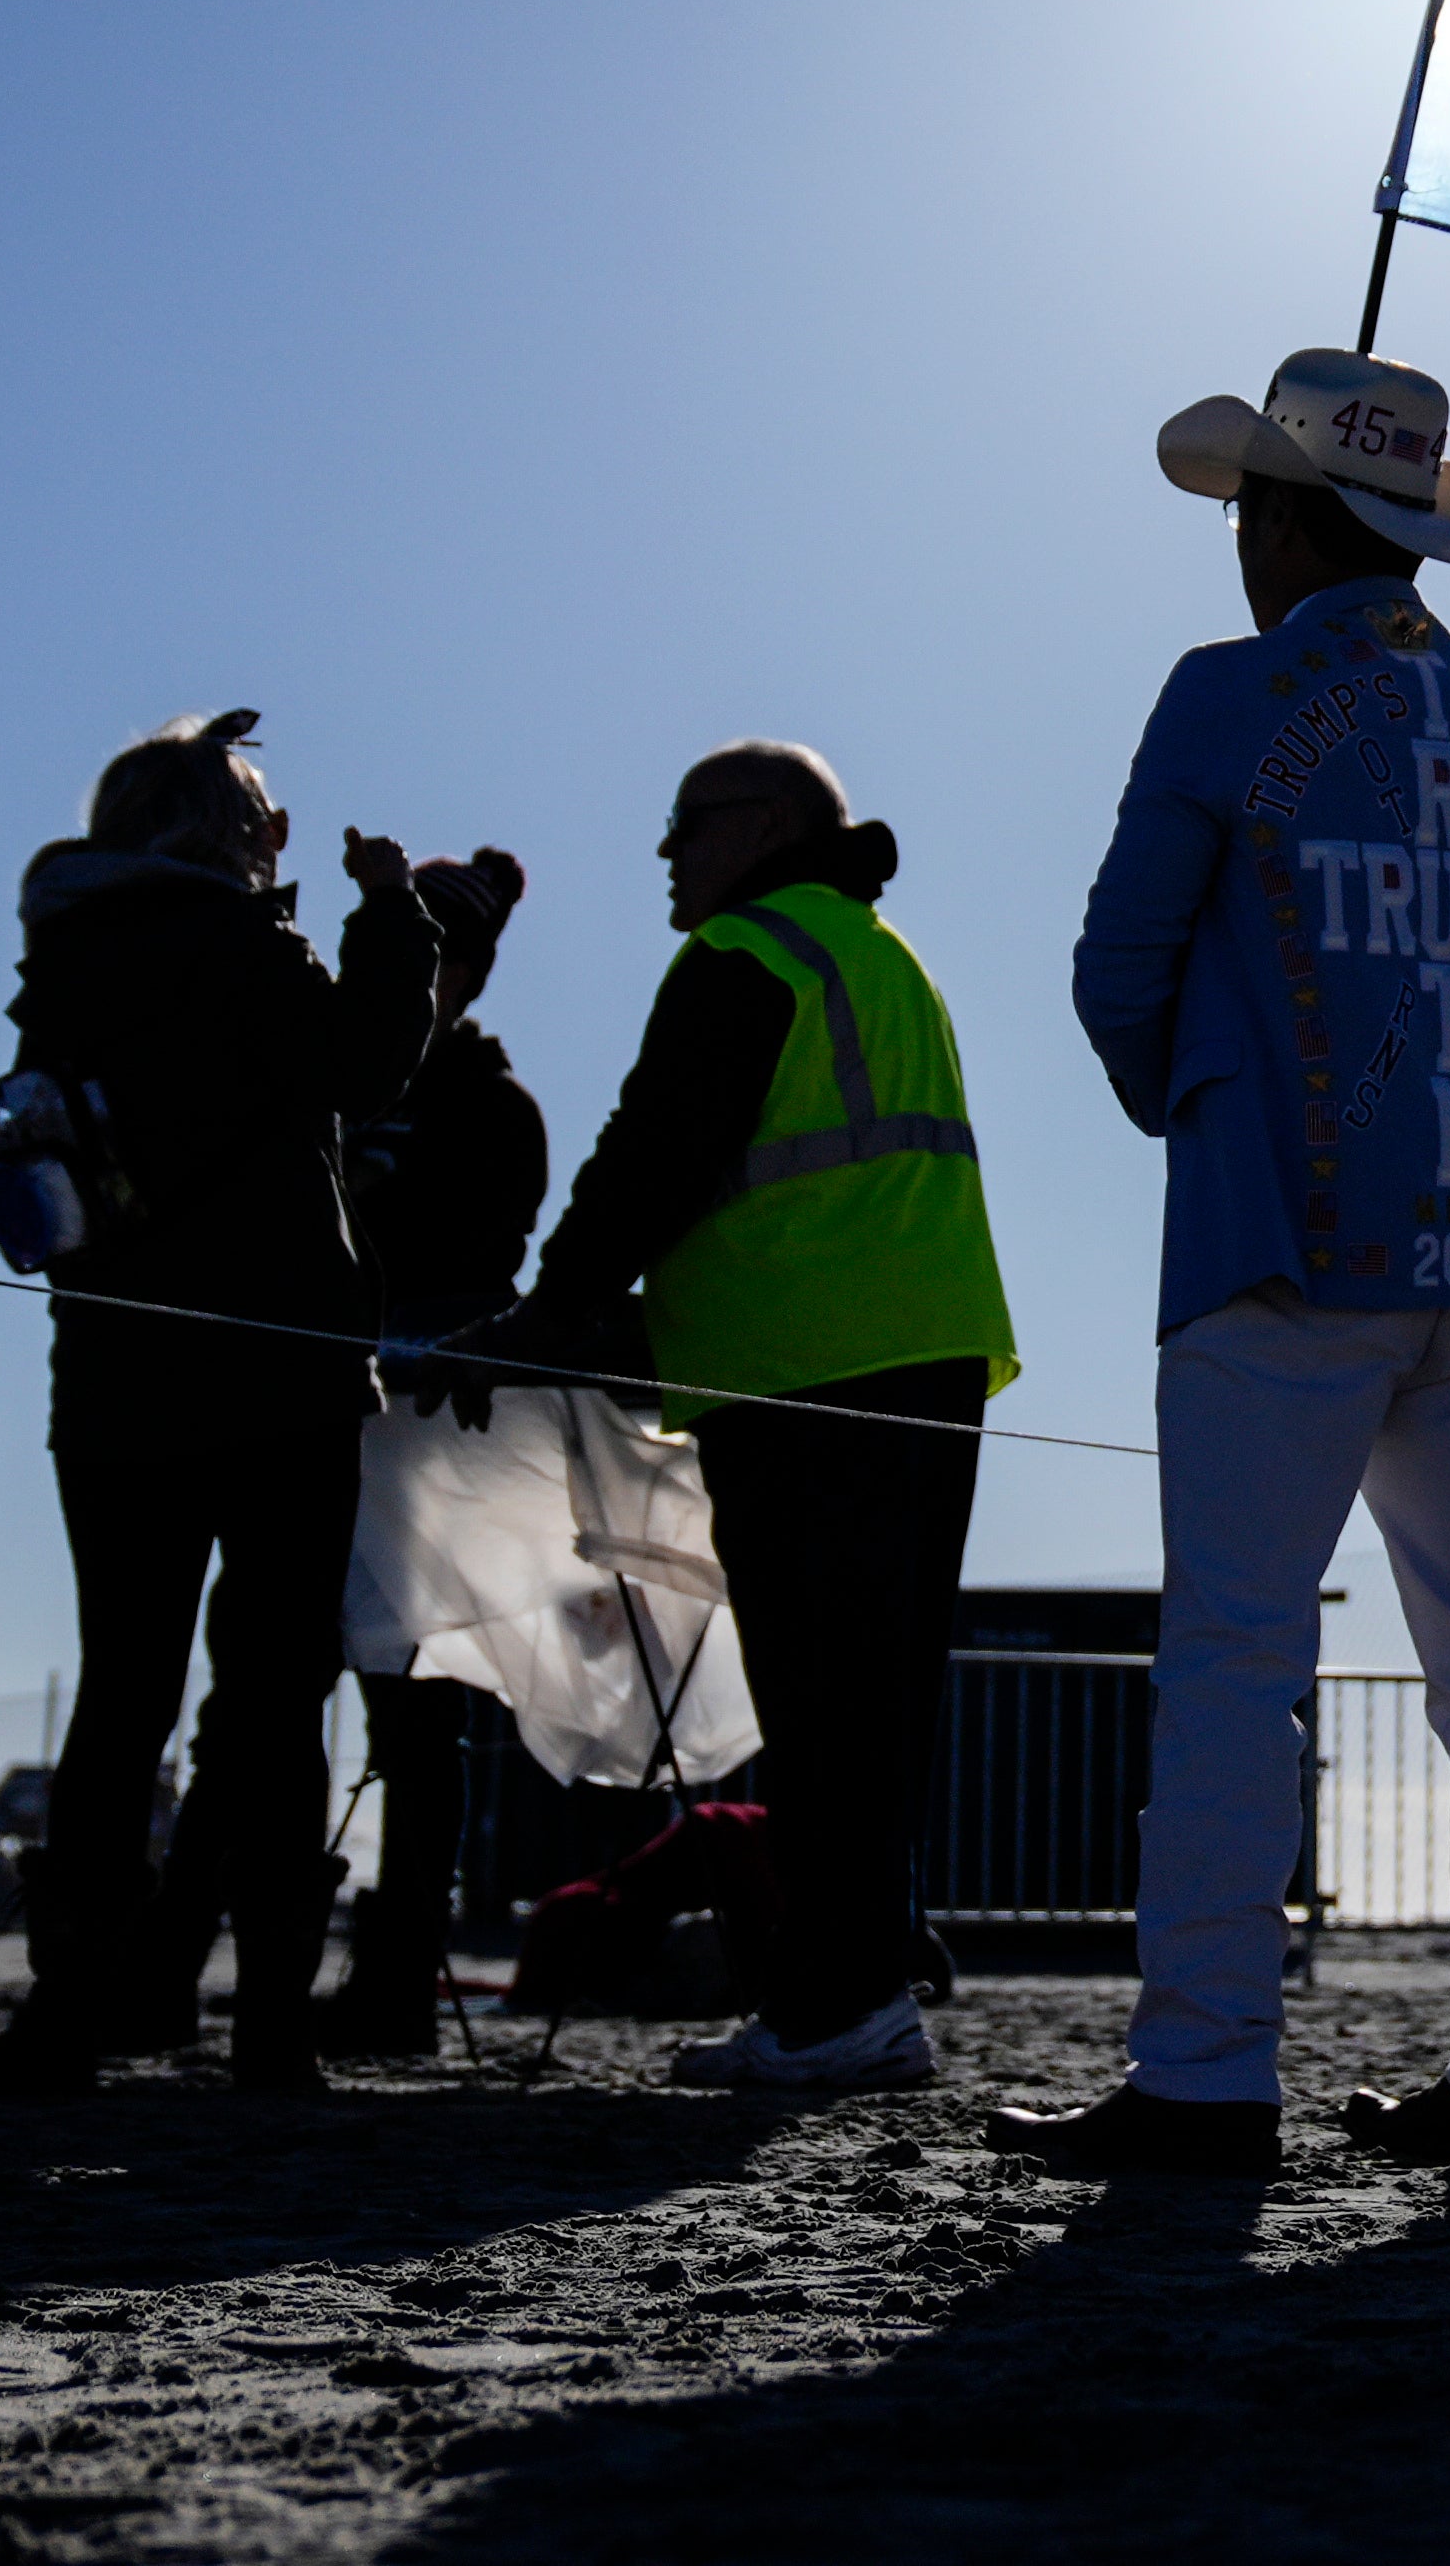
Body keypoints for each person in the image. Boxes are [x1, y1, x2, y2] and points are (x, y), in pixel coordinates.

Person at [995, 350, 1450, 2179]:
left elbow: (1118, 963)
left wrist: (1201, 1107)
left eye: (1249, 505)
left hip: (1286, 1229)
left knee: (1233, 1649)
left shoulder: (1222, 693)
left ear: (1281, 516)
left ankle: (1200, 2074)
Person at [507, 743, 1013, 2095]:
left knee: (823, 1701)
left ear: (765, 824)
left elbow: (654, 1149)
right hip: (918, 1350)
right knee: (874, 1704)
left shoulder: (751, 947)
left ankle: (841, 2004)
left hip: (810, 1362)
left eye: (685, 824)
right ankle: (852, 1995)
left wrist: (550, 1312)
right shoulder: (874, 950)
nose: (665, 852)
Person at [0, 707, 437, 2100]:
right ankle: (272, 2027)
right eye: (258, 813)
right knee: (277, 1691)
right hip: (278, 1364)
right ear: (223, 833)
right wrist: (392, 911)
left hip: (113, 1371)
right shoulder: (243, 942)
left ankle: (65, 2012)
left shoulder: (62, 959)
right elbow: (364, 1065)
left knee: (120, 1690)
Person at [332, 850, 541, 2056]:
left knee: (419, 1719)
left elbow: (482, 1268)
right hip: (303, 1423)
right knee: (255, 1692)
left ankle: (399, 1972)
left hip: (425, 1448)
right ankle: (185, 1955)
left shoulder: (489, 1106)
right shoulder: (333, 1081)